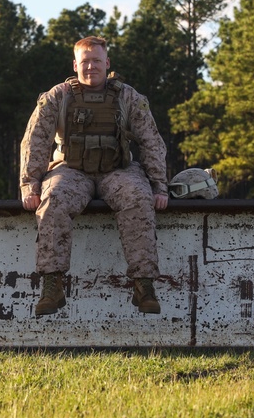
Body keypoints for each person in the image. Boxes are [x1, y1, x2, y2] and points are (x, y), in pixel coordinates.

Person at [20, 36, 169, 316]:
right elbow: (35, 140)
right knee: (53, 201)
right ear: (75, 64)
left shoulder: (127, 96)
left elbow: (151, 140)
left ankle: (144, 286)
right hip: (72, 171)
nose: (91, 67)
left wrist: (159, 186)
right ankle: (52, 286)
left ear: (107, 63)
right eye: (85, 62)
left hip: (118, 170)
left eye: (96, 61)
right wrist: (30, 184)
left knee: (138, 197)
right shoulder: (58, 96)